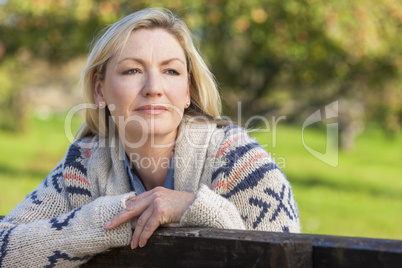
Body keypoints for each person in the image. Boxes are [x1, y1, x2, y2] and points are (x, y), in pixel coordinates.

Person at [0, 8, 300, 267]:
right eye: (132, 70)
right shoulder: (84, 164)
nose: (153, 87)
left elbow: (287, 260)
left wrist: (195, 209)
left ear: (188, 91)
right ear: (99, 90)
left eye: (170, 71)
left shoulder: (240, 162)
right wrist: (107, 219)